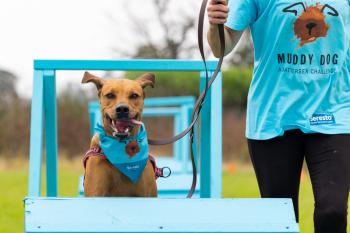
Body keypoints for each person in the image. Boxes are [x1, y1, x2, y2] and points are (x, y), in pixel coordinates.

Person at [207, 0, 350, 232]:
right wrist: (215, 24)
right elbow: (220, 48)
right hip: (274, 116)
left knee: (332, 211)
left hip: (334, 111)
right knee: (281, 221)